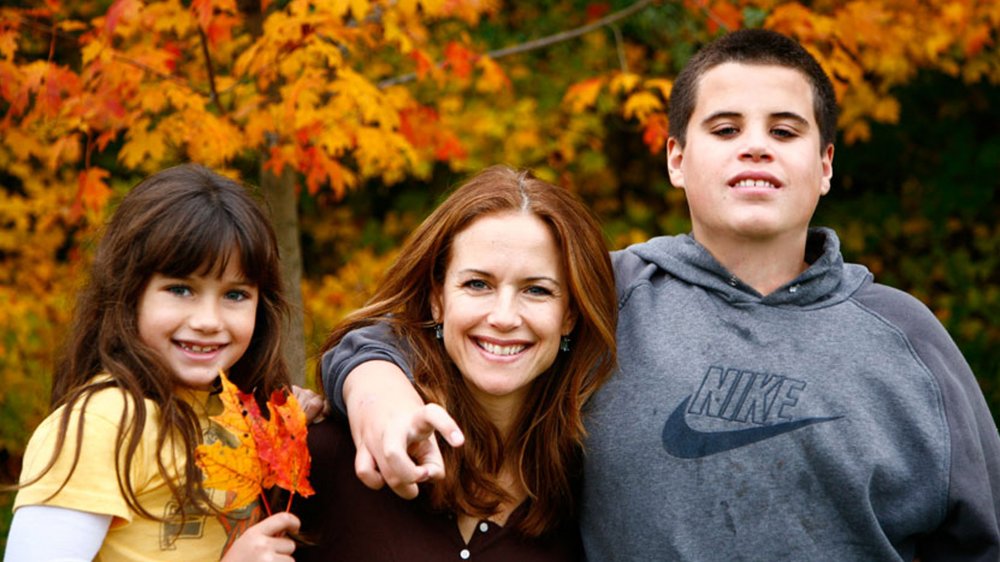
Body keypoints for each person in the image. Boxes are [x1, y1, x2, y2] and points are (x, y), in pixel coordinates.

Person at [319, 29, 1000, 561]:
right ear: (675, 157)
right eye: (726, 128)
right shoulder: (608, 296)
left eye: (785, 131)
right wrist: (378, 393)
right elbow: (407, 333)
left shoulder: (907, 341)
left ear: (825, 166)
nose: (756, 147)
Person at [294, 165, 617, 561]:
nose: (503, 316)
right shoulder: (329, 452)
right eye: (477, 284)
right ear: (438, 299)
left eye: (536, 290)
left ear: (569, 315)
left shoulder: (591, 489)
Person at [5, 164, 304, 561]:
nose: (208, 321)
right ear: (130, 294)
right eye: (180, 289)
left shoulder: (237, 412)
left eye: (235, 295)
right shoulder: (106, 423)